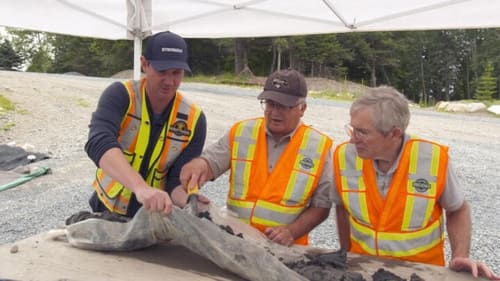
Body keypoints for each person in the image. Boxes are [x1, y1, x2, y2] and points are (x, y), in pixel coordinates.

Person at [332, 86, 500, 280]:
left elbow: (458, 210)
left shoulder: (432, 160)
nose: (353, 139)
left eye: (362, 132)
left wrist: (460, 256)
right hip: (363, 271)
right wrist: (345, 255)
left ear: (395, 133)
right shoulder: (344, 156)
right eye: (352, 128)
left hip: (420, 274)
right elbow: (341, 208)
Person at [180, 68, 333, 246]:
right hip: (234, 240)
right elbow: (210, 161)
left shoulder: (319, 147)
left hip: (283, 250)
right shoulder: (242, 132)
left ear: (302, 108)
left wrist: (291, 232)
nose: (274, 112)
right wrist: (199, 166)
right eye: (270, 103)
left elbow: (322, 206)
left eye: (283, 106)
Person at [85, 31, 207, 218]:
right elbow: (98, 142)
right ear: (144, 64)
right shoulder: (120, 95)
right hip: (106, 210)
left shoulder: (194, 119)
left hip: (153, 219)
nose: (169, 81)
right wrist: (140, 188)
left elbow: (175, 181)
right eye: (162, 72)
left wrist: (190, 201)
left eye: (176, 73)